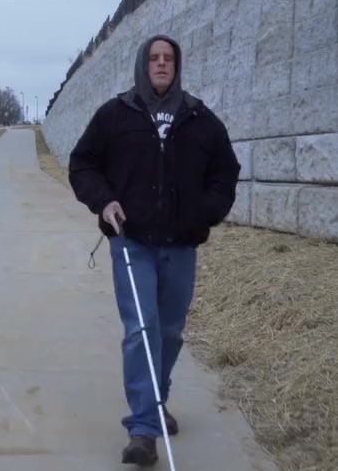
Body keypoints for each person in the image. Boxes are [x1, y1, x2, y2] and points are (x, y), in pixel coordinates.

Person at [67, 34, 241, 467]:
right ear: (143, 65)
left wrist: (205, 214)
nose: (161, 64)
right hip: (132, 242)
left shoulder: (200, 119)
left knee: (170, 331)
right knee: (141, 330)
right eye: (154, 58)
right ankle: (143, 429)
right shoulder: (115, 115)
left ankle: (155, 401)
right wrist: (104, 201)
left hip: (181, 245)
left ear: (177, 67)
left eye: (168, 58)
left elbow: (225, 173)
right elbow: (83, 163)